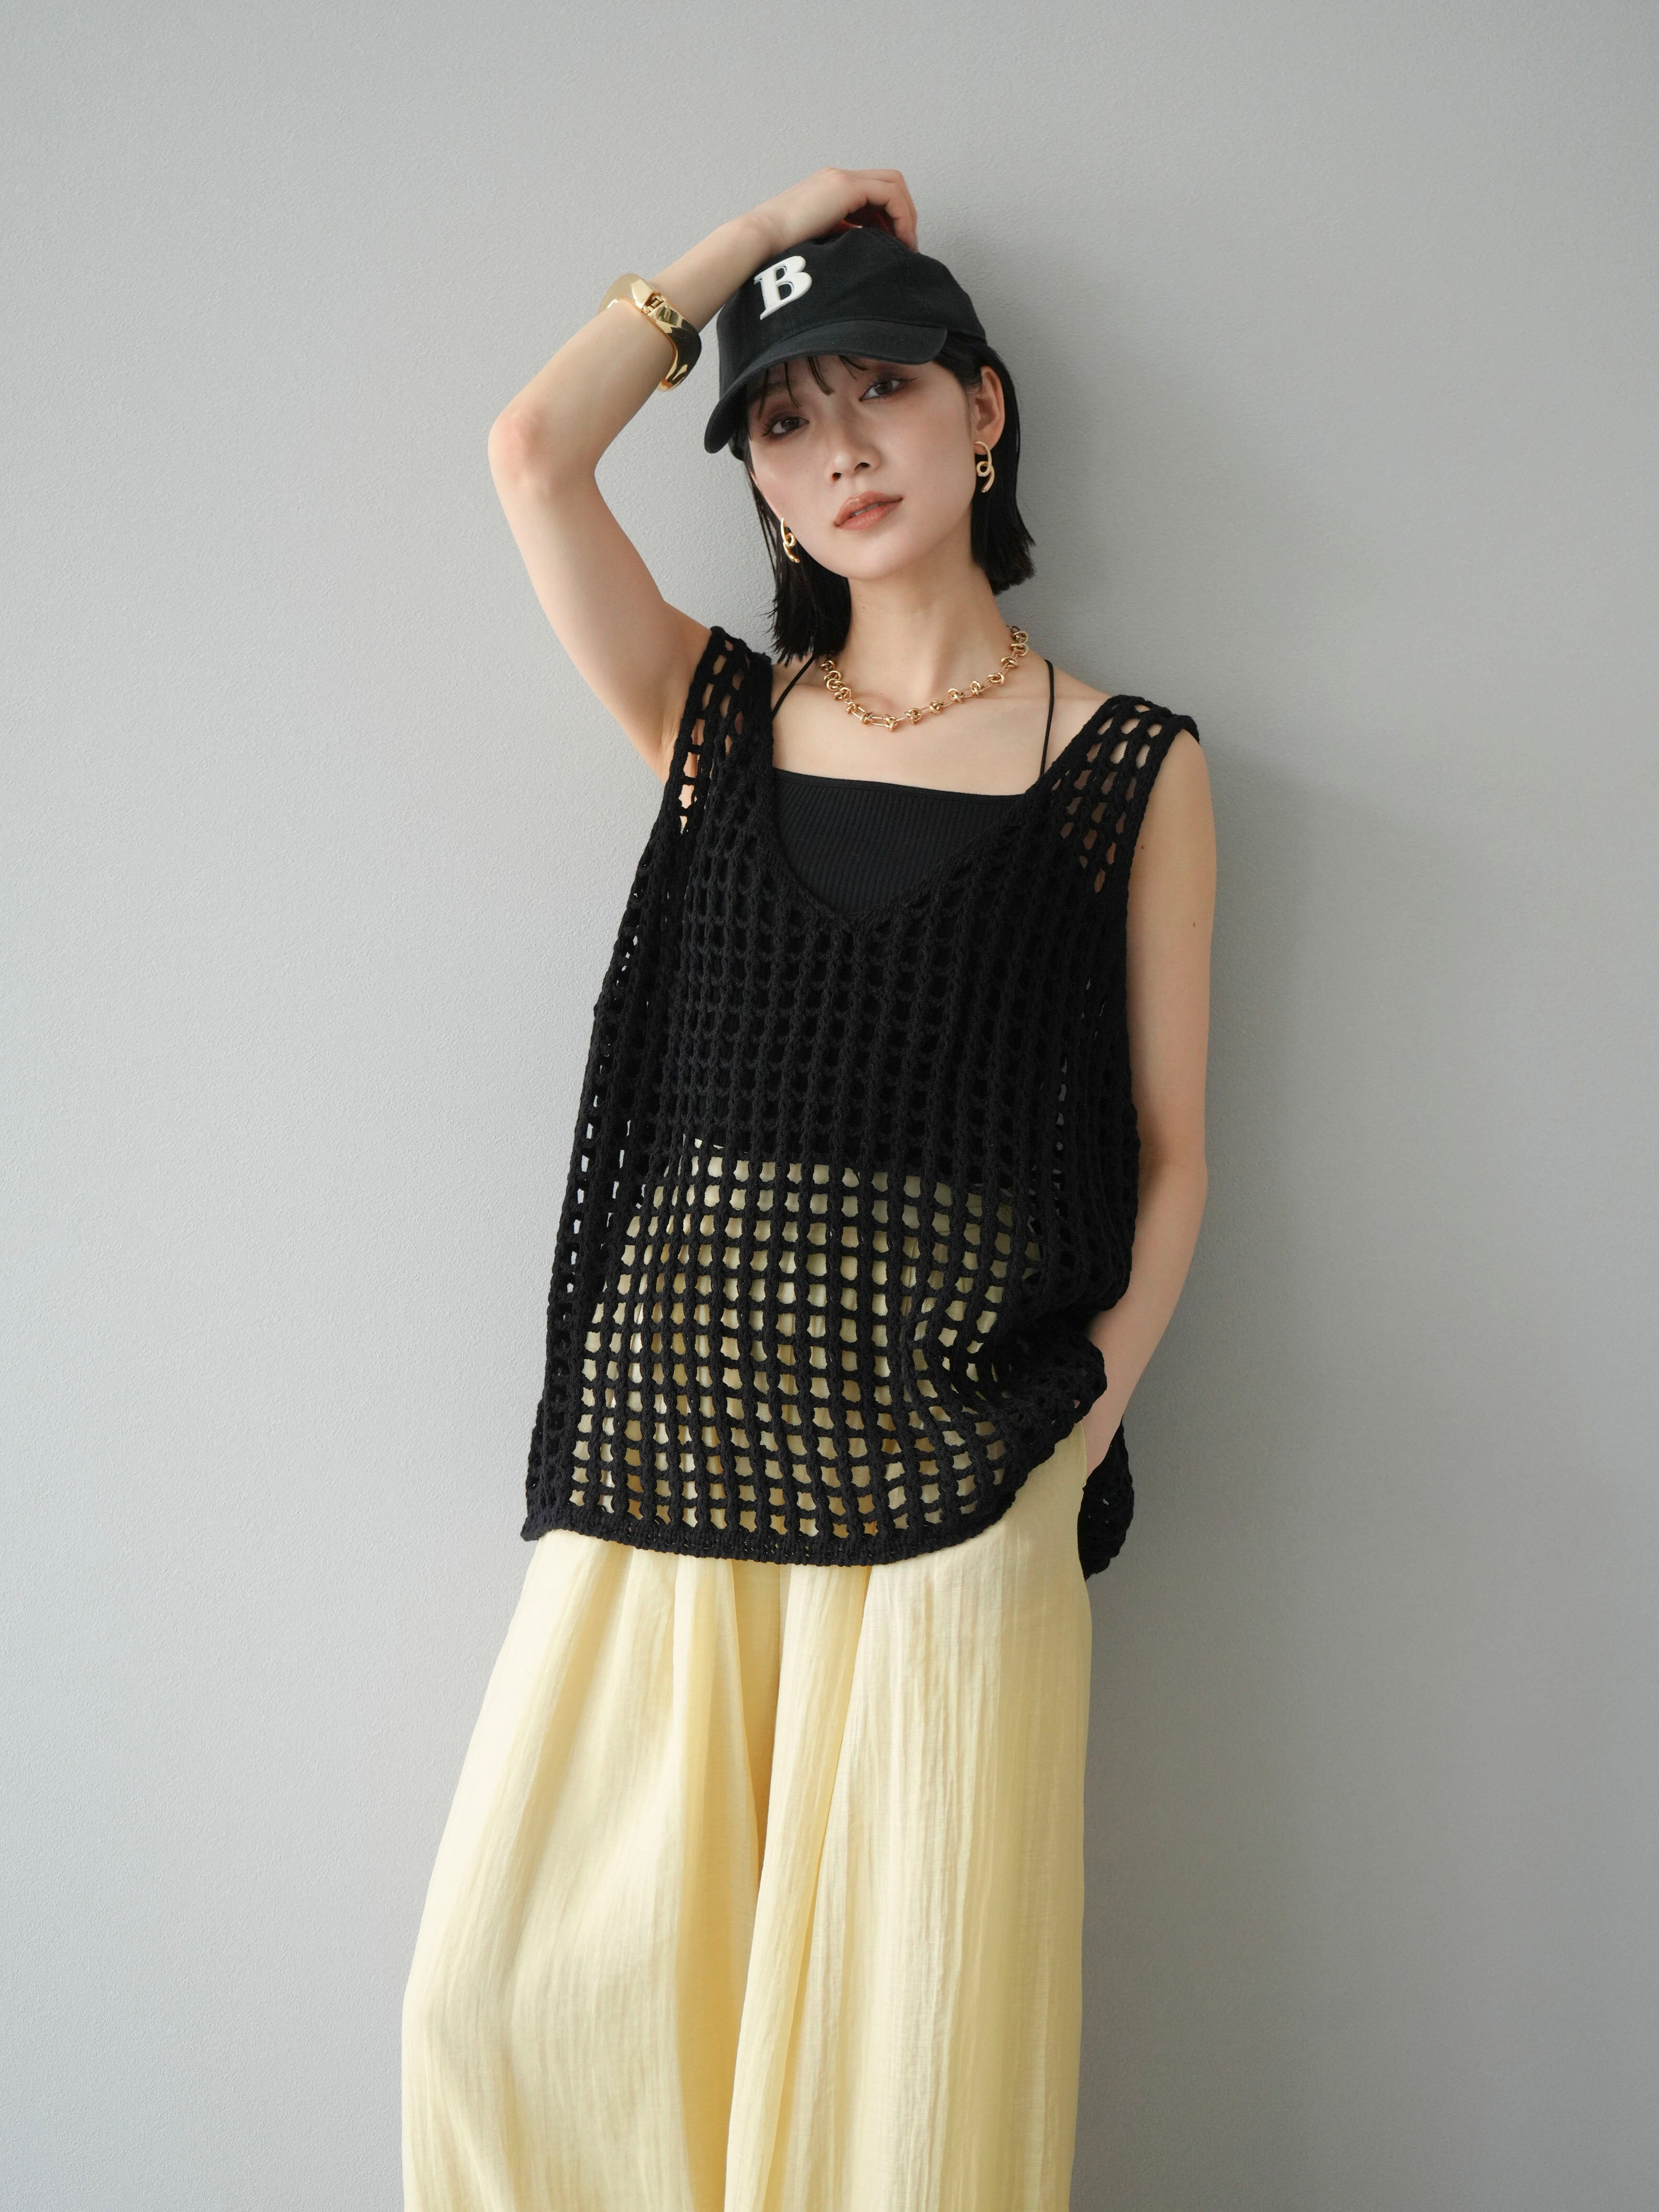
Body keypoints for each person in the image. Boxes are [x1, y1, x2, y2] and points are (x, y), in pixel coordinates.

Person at [402, 166, 1215, 2212]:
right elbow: (532, 452)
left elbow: (1172, 1149)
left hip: (961, 1481)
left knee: (895, 2085)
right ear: (758, 485)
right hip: (676, 1462)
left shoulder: (1127, 766)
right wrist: (755, 236)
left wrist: (1072, 1438)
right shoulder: (720, 722)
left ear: (982, 410)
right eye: (783, 419)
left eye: (881, 389)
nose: (839, 448)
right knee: (505, 2007)